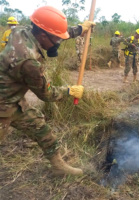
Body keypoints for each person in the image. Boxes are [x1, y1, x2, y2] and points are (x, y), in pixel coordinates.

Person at [0, 6, 95, 176]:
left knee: (41, 130)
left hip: (12, 99)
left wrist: (79, 29)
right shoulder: (29, 61)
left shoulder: (21, 31)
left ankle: (59, 168)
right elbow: (46, 94)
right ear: (43, 36)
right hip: (2, 105)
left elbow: (52, 31)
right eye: (57, 39)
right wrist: (70, 91)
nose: (59, 42)